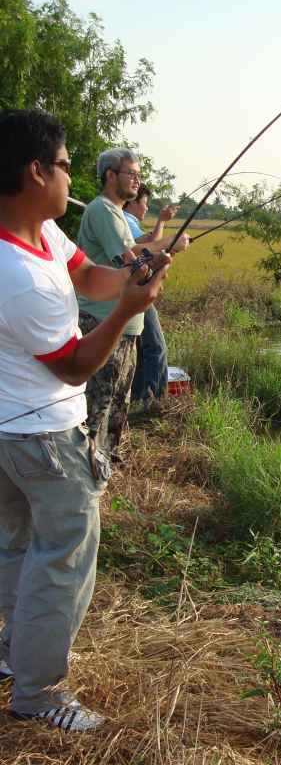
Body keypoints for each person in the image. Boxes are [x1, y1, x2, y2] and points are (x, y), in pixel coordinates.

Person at [0, 109, 170, 731]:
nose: (72, 178)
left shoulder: (44, 236)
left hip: (15, 432)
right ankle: (39, 694)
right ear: (36, 169)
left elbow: (91, 276)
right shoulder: (16, 274)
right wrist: (130, 307)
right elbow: (74, 366)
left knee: (18, 548)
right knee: (63, 557)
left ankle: (12, 654)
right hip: (42, 438)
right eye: (67, 165)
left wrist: (135, 271)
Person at [77, 149, 188, 462]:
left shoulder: (117, 213)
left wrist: (160, 257)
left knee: (118, 409)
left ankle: (106, 470)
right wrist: (168, 245)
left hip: (125, 325)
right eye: (131, 173)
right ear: (110, 175)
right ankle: (89, 474)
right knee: (97, 409)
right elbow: (131, 262)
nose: (138, 180)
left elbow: (140, 259)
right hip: (103, 321)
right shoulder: (103, 210)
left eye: (139, 174)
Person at [123, 184, 176, 404]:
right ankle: (154, 400)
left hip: (136, 288)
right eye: (144, 203)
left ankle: (140, 396)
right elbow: (150, 246)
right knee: (155, 346)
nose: (146, 208)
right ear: (133, 202)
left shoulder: (127, 221)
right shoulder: (126, 220)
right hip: (138, 289)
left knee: (143, 347)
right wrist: (162, 221)